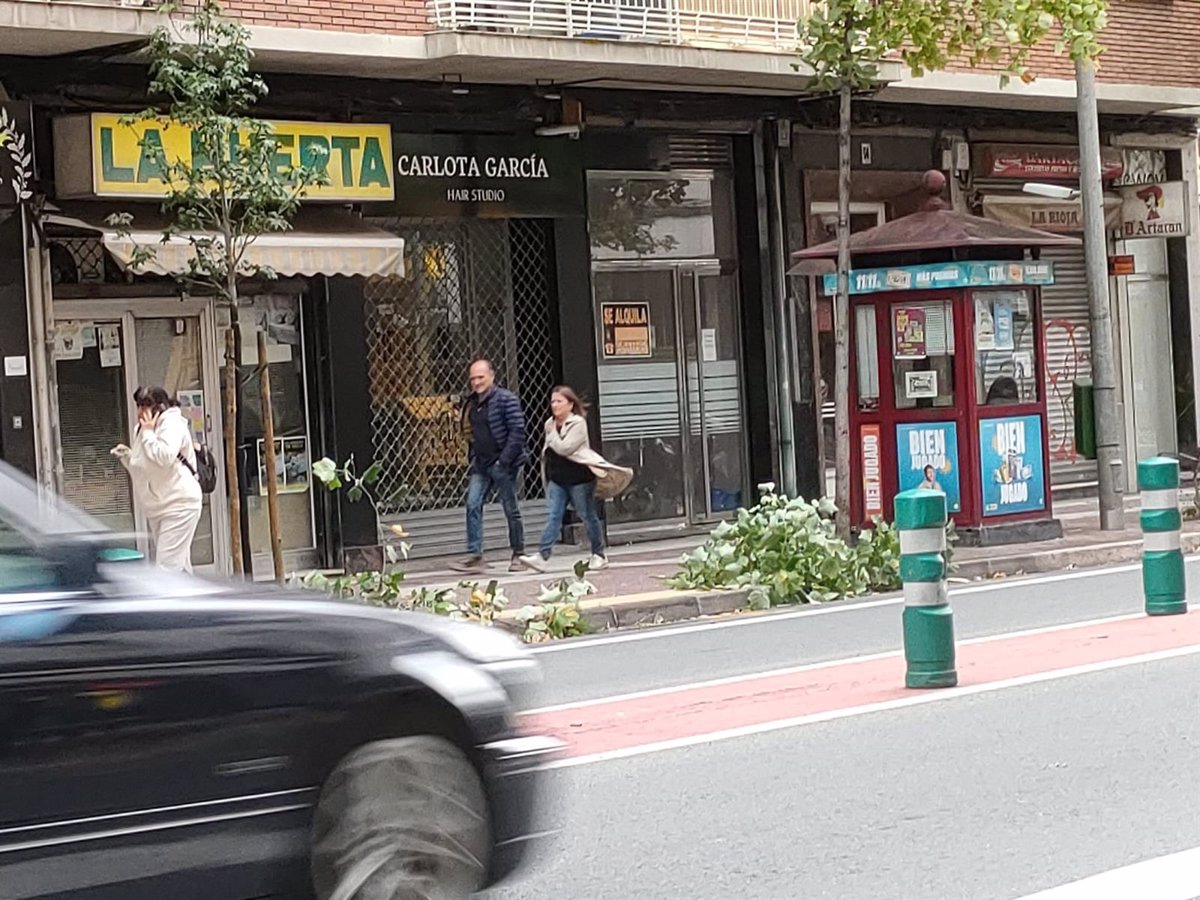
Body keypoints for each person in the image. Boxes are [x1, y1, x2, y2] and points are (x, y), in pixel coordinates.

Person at [520, 386, 633, 573]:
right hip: (558, 479)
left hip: (580, 479)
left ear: (570, 404)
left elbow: (566, 448)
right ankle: (542, 556)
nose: (554, 405)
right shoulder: (549, 423)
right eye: (553, 401)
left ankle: (599, 554)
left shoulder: (578, 423)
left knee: (587, 515)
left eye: (559, 401)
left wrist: (552, 436)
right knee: (554, 516)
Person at [110, 386, 203, 572]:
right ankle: (194, 599)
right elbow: (143, 467)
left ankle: (176, 600)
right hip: (159, 507)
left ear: (159, 407)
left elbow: (164, 457)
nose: (141, 411)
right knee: (179, 567)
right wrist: (127, 456)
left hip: (179, 505)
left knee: (167, 569)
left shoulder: (172, 424)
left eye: (146, 406)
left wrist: (147, 432)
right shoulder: (143, 430)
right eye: (139, 405)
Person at [450, 358, 528, 574]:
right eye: (473, 378)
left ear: (492, 376)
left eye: (480, 377)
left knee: (511, 509)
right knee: (472, 504)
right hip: (481, 464)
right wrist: (474, 456)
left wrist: (504, 461)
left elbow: (517, 432)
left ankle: (518, 554)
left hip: (503, 464)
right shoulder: (472, 403)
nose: (476, 382)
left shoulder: (506, 400)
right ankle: (475, 555)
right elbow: (469, 431)